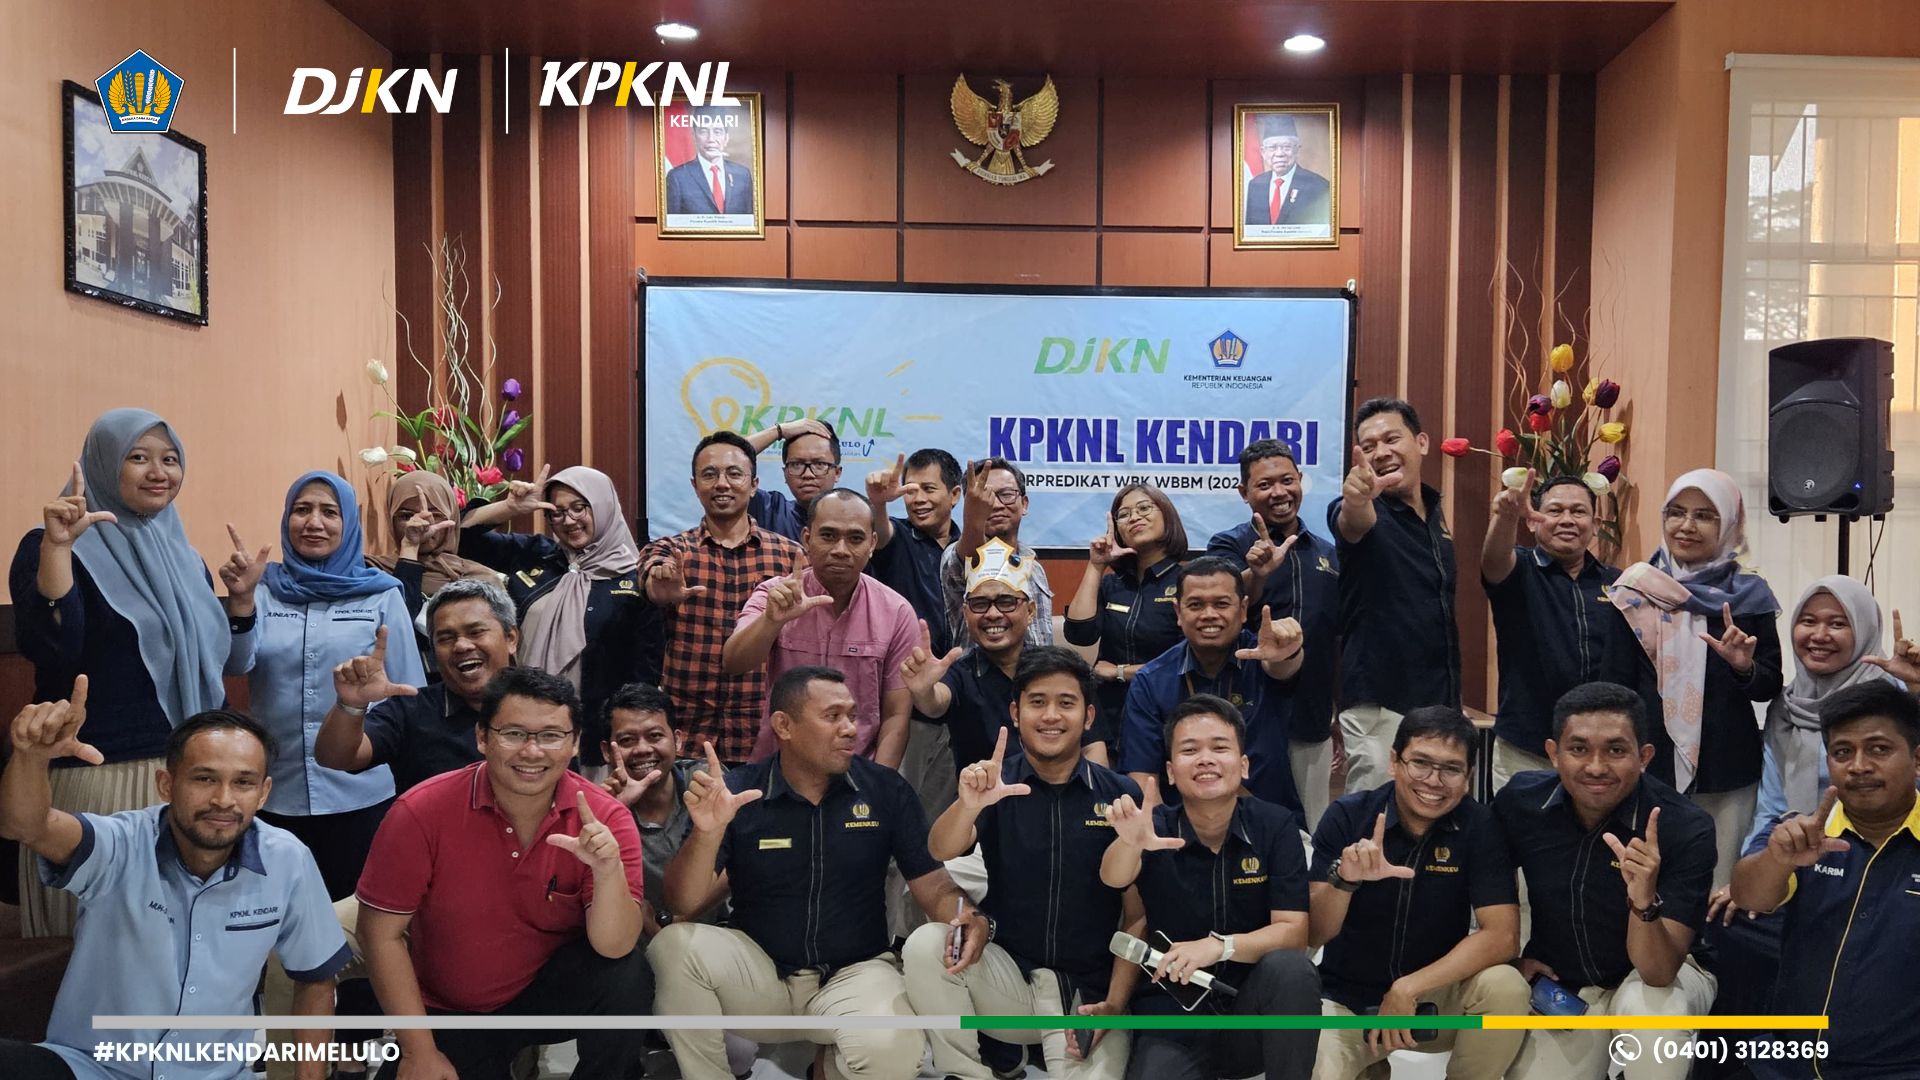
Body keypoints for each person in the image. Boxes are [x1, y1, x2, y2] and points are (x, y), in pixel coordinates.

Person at [652, 666, 988, 1080]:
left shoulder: (885, 789)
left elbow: (932, 883)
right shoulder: (739, 791)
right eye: (833, 716)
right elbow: (681, 901)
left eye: (853, 716)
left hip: (855, 974)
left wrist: (968, 915)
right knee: (673, 947)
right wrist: (706, 833)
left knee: (894, 1051)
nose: (850, 729)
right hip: (760, 974)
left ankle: (827, 1068)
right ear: (784, 725)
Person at [0, 688, 349, 1080]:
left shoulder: (288, 860)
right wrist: (32, 756)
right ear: (166, 784)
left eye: (243, 783)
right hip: (94, 1068)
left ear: (263, 793)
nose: (224, 799)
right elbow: (26, 826)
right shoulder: (119, 844)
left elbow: (316, 978)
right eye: (205, 778)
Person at [8, 408, 261, 936]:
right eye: (138, 457)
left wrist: (240, 604)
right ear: (104, 465)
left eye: (170, 460)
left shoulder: (184, 557)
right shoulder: (51, 542)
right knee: (96, 949)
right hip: (101, 774)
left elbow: (230, 665)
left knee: (186, 945)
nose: (158, 472)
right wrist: (58, 548)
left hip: (186, 773)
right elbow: (52, 648)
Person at [356, 666, 652, 1080]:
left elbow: (615, 947)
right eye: (513, 734)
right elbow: (379, 935)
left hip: (546, 992)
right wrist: (417, 1050)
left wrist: (606, 872)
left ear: (574, 743)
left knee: (628, 975)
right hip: (452, 1007)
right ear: (482, 737)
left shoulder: (605, 818)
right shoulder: (421, 811)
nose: (532, 752)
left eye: (551, 736)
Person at [905, 648, 1145, 1080]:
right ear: (1015, 713)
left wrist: (1114, 1003)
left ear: (1089, 716)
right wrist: (968, 804)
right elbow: (940, 848)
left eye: (1066, 703)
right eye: (1037, 702)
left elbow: (1136, 914)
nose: (1051, 715)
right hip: (1008, 978)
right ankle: (965, 1073)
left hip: (1086, 993)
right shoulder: (997, 783)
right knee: (926, 945)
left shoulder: (1120, 794)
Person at [1495, 682, 1718, 1080]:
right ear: (1553, 753)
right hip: (1566, 984)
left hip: (1665, 974)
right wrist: (1509, 961)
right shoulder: (1522, 803)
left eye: (1616, 750)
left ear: (1644, 757)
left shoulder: (1684, 826)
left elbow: (1659, 971)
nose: (1596, 767)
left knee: (1652, 1018)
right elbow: (1483, 892)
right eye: (1579, 749)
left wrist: (1643, 901)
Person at [1100, 696, 1322, 1080]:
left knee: (1292, 969)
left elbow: (1294, 933)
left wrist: (1220, 946)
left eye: (1219, 748)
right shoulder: (1154, 828)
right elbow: (1114, 878)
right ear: (1171, 772)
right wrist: (1130, 842)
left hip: (1249, 1008)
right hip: (1172, 1011)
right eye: (1190, 750)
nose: (1205, 759)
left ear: (1244, 765)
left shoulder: (1275, 825)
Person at [1307, 706, 1528, 1080]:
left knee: (1505, 987)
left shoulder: (1480, 826)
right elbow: (1315, 933)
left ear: (1469, 777)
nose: (1433, 781)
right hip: (1348, 1002)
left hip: (1435, 999)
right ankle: (1369, 1063)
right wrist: (1345, 880)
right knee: (1314, 1064)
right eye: (1420, 763)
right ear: (1394, 761)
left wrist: (1409, 988)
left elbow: (1502, 936)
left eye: (1451, 769)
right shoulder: (1349, 816)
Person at [238, 471, 424, 900]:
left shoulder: (382, 594)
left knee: (354, 919)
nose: (314, 523)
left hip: (362, 796)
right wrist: (241, 603)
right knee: (276, 916)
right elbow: (235, 663)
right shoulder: (263, 590)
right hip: (274, 793)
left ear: (348, 523)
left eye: (329, 512)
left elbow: (409, 692)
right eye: (302, 510)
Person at [1728, 680, 1920, 1079]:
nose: (1859, 766)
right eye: (1842, 752)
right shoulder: (1799, 833)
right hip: (1785, 1065)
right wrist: (1778, 860)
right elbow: (1749, 895)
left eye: (1879, 749)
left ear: (1917, 759)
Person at [1608, 468, 1781, 886]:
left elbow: (1769, 684)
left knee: (1720, 886)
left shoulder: (1749, 594)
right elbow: (1614, 688)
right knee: (1649, 882)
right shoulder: (1634, 590)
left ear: (1729, 524)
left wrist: (1744, 667)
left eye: (1704, 515)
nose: (1686, 525)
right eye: (1676, 512)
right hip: (1650, 767)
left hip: (1727, 769)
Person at [460, 464, 663, 765]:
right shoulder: (537, 555)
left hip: (598, 745)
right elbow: (462, 539)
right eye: (557, 512)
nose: (568, 520)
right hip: (525, 728)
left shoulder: (638, 578)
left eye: (579, 508)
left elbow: (644, 677)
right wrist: (510, 507)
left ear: (602, 506)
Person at [1481, 471, 1652, 791]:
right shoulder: (1519, 570)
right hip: (1527, 749)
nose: (1567, 519)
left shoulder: (1619, 583)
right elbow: (1493, 561)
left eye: (1578, 511)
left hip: (1600, 756)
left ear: (1595, 525)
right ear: (1533, 521)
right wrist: (1505, 518)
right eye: (1555, 510)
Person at [643, 431, 804, 764]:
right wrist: (662, 588)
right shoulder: (672, 550)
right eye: (709, 474)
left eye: (734, 474)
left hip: (764, 736)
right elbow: (652, 577)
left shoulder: (791, 557)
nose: (721, 484)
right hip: (687, 737)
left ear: (754, 484)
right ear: (694, 485)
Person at [727, 488, 919, 767]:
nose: (841, 550)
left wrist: (878, 782)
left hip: (856, 769)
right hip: (778, 767)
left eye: (855, 539)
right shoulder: (775, 594)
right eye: (828, 536)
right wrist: (772, 621)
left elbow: (896, 716)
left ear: (872, 544)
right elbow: (733, 662)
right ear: (807, 539)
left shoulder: (897, 612)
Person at [1206, 439, 1341, 827]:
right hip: (1248, 719)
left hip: (1311, 718)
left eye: (1287, 480)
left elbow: (1335, 637)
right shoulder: (1228, 544)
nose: (1279, 493)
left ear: (1300, 480)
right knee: (1243, 828)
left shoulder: (1328, 554)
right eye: (1264, 485)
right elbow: (1220, 608)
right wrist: (1257, 574)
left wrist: (1337, 712)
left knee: (1311, 830)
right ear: (1244, 492)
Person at [1330, 397, 1460, 794]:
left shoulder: (1435, 516)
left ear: (1421, 442)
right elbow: (1353, 520)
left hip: (1438, 707)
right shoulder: (1364, 509)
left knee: (1434, 818)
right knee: (1374, 819)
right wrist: (1357, 500)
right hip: (1380, 707)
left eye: (1391, 439)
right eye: (1368, 446)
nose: (1381, 452)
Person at [1118, 557, 1308, 815]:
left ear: (1243, 609)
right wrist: (1163, 835)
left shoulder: (1262, 656)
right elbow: (1143, 778)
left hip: (1271, 823)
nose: (1209, 615)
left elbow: (1282, 668)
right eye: (1195, 605)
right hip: (1183, 829)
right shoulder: (1151, 681)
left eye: (1221, 604)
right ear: (1178, 612)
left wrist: (1289, 652)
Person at [314, 577, 518, 794]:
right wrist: (351, 704)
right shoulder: (410, 710)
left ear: (511, 638)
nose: (461, 645)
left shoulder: (541, 700)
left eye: (475, 632)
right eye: (445, 638)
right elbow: (335, 758)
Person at [903, 538, 1090, 774]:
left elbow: (1093, 746)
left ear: (1030, 611)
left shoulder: (1060, 669)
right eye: (980, 604)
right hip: (983, 794)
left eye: (1006, 602)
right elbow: (935, 703)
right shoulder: (961, 674)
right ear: (965, 614)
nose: (993, 614)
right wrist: (922, 691)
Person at [865, 447, 966, 817]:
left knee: (941, 819)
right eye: (910, 490)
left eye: (928, 489)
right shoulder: (897, 537)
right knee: (894, 812)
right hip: (905, 708)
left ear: (955, 495)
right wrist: (878, 504)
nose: (918, 499)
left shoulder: (970, 547)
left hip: (959, 703)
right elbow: (880, 532)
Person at [1065, 484, 1190, 761]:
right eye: (1124, 514)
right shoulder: (1112, 585)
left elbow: (1189, 659)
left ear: (1167, 515)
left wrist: (1120, 672)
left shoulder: (1188, 582)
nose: (1134, 517)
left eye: (1144, 508)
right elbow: (1079, 633)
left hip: (1168, 710)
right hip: (1110, 715)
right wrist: (1096, 565)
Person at [596, 682, 719, 932]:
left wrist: (679, 922)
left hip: (717, 934)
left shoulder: (707, 781)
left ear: (677, 740)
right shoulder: (599, 806)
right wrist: (610, 814)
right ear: (607, 751)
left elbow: (740, 864)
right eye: (627, 740)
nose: (643, 749)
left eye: (655, 736)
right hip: (632, 940)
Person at [364, 469, 497, 652]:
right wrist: (410, 547)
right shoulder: (372, 572)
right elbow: (394, 628)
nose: (421, 523)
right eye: (406, 516)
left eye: (435, 515)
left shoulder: (481, 578)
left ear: (452, 517)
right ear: (391, 520)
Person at [940, 458, 1053, 648]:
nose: (997, 505)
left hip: (1039, 666)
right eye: (986, 498)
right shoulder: (957, 556)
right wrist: (974, 517)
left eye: (1006, 495)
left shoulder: (1034, 565)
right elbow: (970, 558)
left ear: (1024, 504)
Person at [744, 417, 842, 540]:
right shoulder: (769, 510)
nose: (808, 474)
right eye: (797, 464)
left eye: (819, 464)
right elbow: (726, 458)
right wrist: (779, 431)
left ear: (837, 473)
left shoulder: (853, 517)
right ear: (785, 473)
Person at [1242, 113, 1331, 228]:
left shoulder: (1319, 186)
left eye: (1286, 147)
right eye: (1272, 147)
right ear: (1263, 152)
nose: (1279, 154)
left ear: (1297, 150)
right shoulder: (1255, 185)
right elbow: (1250, 230)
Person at [664, 109, 755, 215]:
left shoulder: (743, 175)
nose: (711, 139)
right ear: (694, 136)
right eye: (703, 131)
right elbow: (673, 221)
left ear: (726, 138)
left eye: (717, 132)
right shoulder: (677, 177)